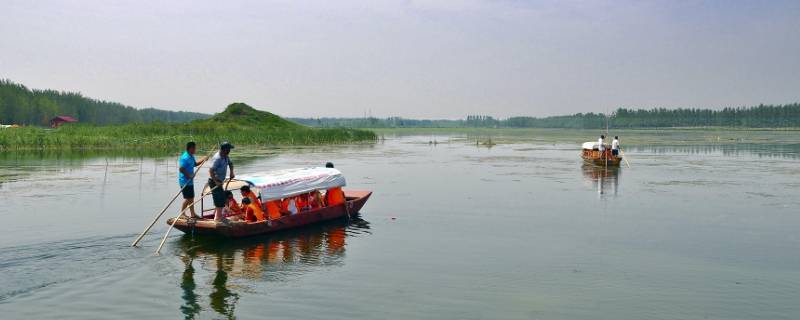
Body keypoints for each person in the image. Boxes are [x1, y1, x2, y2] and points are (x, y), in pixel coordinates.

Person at [178, 141, 207, 218]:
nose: (195, 150)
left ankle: (192, 214)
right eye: (194, 148)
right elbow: (181, 169)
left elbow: (195, 164)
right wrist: (189, 175)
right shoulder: (185, 157)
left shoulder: (191, 156)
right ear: (190, 148)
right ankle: (182, 214)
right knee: (188, 198)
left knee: (191, 198)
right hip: (184, 181)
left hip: (190, 181)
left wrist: (203, 159)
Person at [209, 142, 235, 222]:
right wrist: (216, 181)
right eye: (229, 149)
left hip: (220, 181)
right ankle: (217, 218)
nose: (229, 151)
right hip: (214, 182)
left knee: (221, 199)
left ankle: (218, 217)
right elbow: (211, 170)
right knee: (218, 199)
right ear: (224, 149)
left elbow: (230, 164)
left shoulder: (226, 156)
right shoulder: (217, 158)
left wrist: (231, 172)